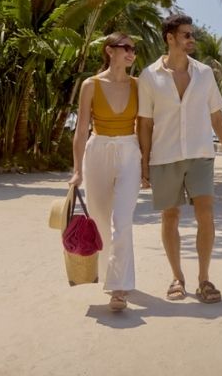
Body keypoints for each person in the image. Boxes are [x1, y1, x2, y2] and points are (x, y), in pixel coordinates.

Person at [138, 14, 222, 304]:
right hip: (164, 156)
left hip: (200, 154)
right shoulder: (149, 76)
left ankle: (204, 279)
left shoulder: (205, 73)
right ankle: (177, 277)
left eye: (192, 34)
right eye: (186, 35)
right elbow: (144, 123)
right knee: (170, 216)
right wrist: (144, 163)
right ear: (170, 38)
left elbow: (216, 115)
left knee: (206, 215)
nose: (192, 39)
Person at [68, 32, 142, 312]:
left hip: (129, 151)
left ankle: (119, 288)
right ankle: (112, 274)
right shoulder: (91, 85)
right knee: (99, 219)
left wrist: (146, 167)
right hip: (97, 151)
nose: (131, 53)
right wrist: (77, 171)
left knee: (122, 219)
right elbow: (81, 129)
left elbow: (146, 127)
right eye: (126, 48)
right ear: (110, 51)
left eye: (133, 49)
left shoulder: (138, 86)